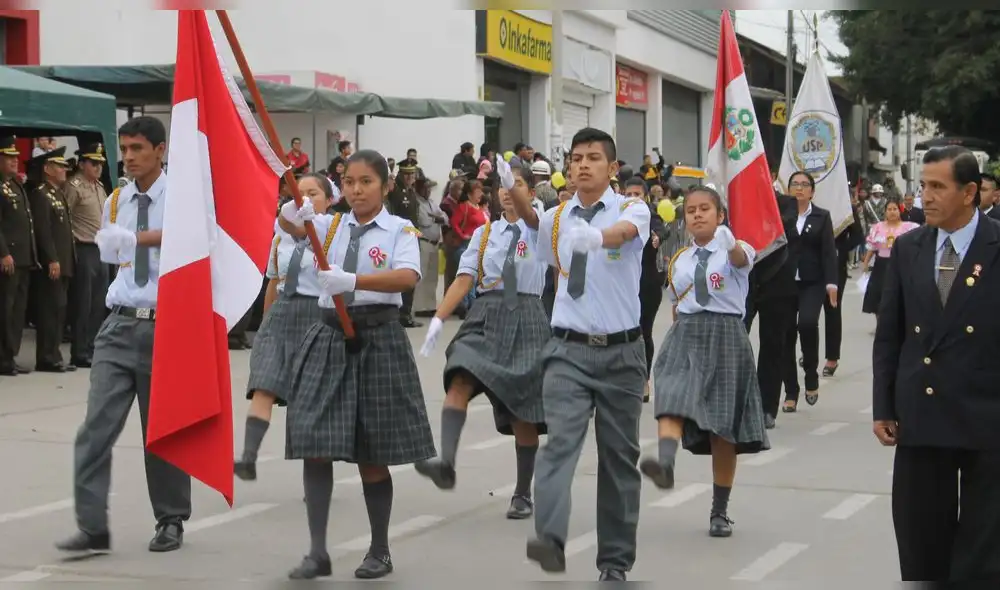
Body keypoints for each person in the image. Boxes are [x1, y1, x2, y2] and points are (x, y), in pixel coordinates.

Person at [282, 150, 435, 581]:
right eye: (348, 182)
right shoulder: (329, 227)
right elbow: (289, 227)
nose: (355, 190)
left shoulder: (399, 230)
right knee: (314, 443)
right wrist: (293, 208)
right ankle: (317, 552)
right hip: (328, 335)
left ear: (385, 186)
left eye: (366, 182)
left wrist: (355, 281)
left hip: (377, 335)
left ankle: (379, 549)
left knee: (372, 451)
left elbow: (407, 277)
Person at [56, 116, 191, 554]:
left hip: (166, 324)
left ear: (160, 150)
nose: (129, 157)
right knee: (95, 428)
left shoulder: (182, 197)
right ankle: (92, 527)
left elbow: (193, 242)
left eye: (138, 149)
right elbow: (115, 249)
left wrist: (136, 238)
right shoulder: (116, 199)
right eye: (125, 148)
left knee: (161, 432)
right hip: (118, 323)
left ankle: (171, 519)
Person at [525, 128, 650, 583]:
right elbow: (550, 274)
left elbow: (625, 233)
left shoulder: (633, 207)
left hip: (621, 353)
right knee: (560, 444)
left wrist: (597, 238)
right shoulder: (555, 218)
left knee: (618, 459)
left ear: (612, 168)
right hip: (568, 351)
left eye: (593, 158)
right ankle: (550, 537)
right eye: (576, 158)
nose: (582, 165)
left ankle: (615, 561)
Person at [873, 146, 1000, 582]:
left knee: (984, 551)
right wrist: (883, 406)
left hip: (987, 414)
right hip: (922, 412)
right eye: (923, 185)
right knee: (921, 538)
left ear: (969, 192)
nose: (925, 196)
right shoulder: (909, 247)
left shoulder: (996, 243)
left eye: (937, 187)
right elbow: (890, 333)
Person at [415, 162, 548, 520]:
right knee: (459, 375)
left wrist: (519, 194)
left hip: (526, 314)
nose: (507, 191)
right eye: (504, 186)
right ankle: (446, 461)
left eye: (517, 185)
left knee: (522, 410)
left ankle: (522, 493)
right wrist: (439, 319)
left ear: (531, 193)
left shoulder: (541, 226)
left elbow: (531, 219)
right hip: (487, 313)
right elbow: (463, 280)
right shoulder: (484, 234)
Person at [640, 186, 769, 537]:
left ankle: (719, 511)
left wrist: (729, 244)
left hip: (726, 335)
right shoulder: (679, 257)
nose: (697, 215)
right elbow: (676, 300)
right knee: (669, 394)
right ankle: (665, 462)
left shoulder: (734, 250)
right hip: (687, 332)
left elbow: (742, 260)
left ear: (720, 215)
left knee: (721, 429)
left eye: (705, 209)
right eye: (691, 211)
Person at [233, 174, 335, 481]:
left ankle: (317, 480)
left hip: (318, 315)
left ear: (329, 200)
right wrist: (265, 326)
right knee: (265, 383)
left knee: (311, 404)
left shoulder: (335, 231)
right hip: (283, 313)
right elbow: (274, 283)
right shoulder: (281, 236)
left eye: (312, 193)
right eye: (297, 194)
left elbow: (303, 229)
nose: (304, 199)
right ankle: (248, 457)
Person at [783, 171, 838, 412]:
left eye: (805, 185)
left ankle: (811, 375)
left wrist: (831, 283)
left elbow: (828, 252)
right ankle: (791, 391)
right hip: (784, 282)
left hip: (812, 282)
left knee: (806, 324)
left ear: (812, 191)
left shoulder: (821, 217)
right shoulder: (780, 215)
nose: (799, 188)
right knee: (785, 335)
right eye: (795, 184)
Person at [27, 147, 76, 372]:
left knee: (59, 310)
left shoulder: (57, 194)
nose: (64, 170)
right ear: (47, 169)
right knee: (49, 310)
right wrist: (51, 259)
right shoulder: (41, 194)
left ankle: (54, 354)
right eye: (59, 166)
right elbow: (43, 231)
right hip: (53, 264)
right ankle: (46, 357)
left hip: (64, 262)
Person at [624, 177, 669, 403]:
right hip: (622, 284)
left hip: (647, 283)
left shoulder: (651, 216)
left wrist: (656, 237)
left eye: (637, 195)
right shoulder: (618, 216)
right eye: (629, 194)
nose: (633, 199)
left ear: (645, 197)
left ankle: (644, 379)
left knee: (644, 332)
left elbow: (662, 230)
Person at [65, 142, 109, 369]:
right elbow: (65, 217)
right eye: (93, 163)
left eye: (100, 163)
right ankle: (79, 351)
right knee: (83, 302)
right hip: (83, 248)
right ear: (82, 164)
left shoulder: (99, 187)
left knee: (98, 303)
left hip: (101, 248)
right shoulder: (74, 186)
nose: (98, 167)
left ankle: (92, 347)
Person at [0, 135, 38, 376]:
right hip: (9, 258)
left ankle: (10, 355)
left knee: (17, 312)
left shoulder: (15, 185)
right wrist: (3, 253)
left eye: (16, 157)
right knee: (6, 310)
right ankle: (3, 358)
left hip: (23, 258)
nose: (15, 161)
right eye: (9, 157)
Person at [821, 206, 864, 376]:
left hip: (836, 265)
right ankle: (808, 352)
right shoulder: (805, 205)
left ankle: (832, 358)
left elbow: (858, 235)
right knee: (807, 316)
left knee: (832, 309)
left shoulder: (844, 205)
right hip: (810, 266)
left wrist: (840, 249)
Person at [860, 196, 919, 316]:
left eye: (895, 209)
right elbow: (872, 248)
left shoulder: (909, 227)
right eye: (889, 209)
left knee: (898, 298)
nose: (892, 212)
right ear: (885, 212)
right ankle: (880, 326)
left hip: (901, 264)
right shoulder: (878, 227)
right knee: (880, 300)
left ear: (899, 210)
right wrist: (865, 263)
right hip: (881, 265)